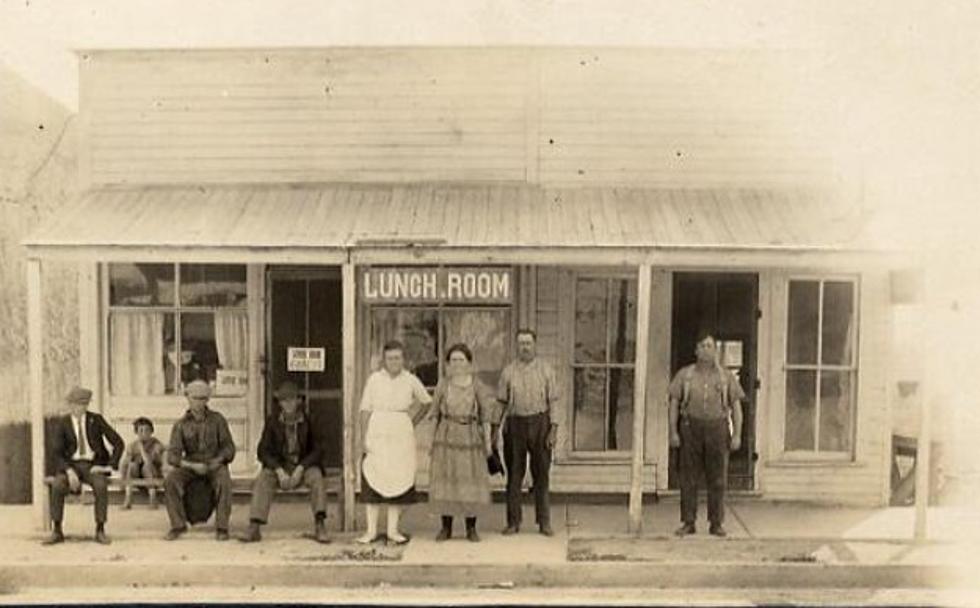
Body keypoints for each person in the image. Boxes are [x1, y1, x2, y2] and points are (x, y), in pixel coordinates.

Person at [668, 332, 745, 537]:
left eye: (710, 346)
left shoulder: (726, 377)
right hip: (690, 428)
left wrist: (737, 435)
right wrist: (673, 431)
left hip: (717, 428)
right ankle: (688, 521)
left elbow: (736, 407)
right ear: (695, 350)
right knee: (688, 477)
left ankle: (716, 522)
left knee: (718, 478)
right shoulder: (685, 375)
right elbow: (674, 403)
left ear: (715, 351)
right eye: (702, 346)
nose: (706, 349)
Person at [356, 340, 432, 545]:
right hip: (377, 428)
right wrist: (363, 436)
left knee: (398, 477)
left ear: (403, 359)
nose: (394, 362)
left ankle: (392, 530)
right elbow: (364, 410)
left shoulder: (410, 379)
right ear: (384, 359)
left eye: (398, 358)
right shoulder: (374, 379)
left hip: (401, 430)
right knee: (373, 475)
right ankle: (370, 531)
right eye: (390, 358)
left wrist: (412, 421)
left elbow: (426, 402)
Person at [240, 381, 330, 544]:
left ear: (298, 401)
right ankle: (254, 526)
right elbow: (263, 451)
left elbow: (319, 449)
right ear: (279, 403)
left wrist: (301, 468)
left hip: (304, 466)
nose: (288, 404)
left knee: (317, 477)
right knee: (263, 479)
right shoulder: (273, 422)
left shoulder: (310, 420)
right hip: (281, 466)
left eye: (291, 400)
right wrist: (279, 470)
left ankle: (320, 524)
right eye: (283, 400)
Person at [427, 343, 498, 542]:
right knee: (446, 481)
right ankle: (446, 528)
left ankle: (471, 529)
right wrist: (432, 443)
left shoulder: (477, 385)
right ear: (448, 363)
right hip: (446, 436)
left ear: (469, 363)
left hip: (470, 437)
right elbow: (434, 414)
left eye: (461, 360)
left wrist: (488, 445)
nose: (457, 363)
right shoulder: (443, 384)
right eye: (453, 360)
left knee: (470, 482)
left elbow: (485, 416)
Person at [492, 329, 559, 537]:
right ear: (516, 346)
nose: (525, 347)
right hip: (515, 424)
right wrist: (494, 430)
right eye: (521, 343)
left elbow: (553, 401)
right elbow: (501, 402)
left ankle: (544, 522)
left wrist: (553, 430)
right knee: (514, 475)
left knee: (541, 475)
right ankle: (513, 522)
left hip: (540, 423)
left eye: (528, 343)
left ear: (535, 345)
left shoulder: (546, 370)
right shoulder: (508, 371)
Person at [43, 386, 125, 545]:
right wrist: (68, 470)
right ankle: (57, 530)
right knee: (58, 485)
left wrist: (108, 466)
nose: (79, 408)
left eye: (83, 404)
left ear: (87, 405)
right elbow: (56, 452)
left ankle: (100, 530)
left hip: (92, 465)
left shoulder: (96, 420)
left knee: (100, 485)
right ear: (70, 405)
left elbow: (118, 443)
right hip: (71, 465)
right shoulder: (63, 423)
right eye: (76, 404)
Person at [163, 380, 236, 541]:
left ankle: (222, 527)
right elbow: (172, 456)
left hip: (214, 464)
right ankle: (178, 525)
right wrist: (191, 465)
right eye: (195, 398)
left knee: (224, 480)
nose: (198, 402)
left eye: (202, 398)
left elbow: (229, 447)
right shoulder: (180, 425)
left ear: (208, 400)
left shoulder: (218, 420)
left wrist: (218, 461)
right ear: (188, 399)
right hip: (190, 465)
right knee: (170, 481)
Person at [119, 416, 166, 509]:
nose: (144, 433)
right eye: (140, 430)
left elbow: (148, 462)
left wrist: (141, 449)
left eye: (147, 430)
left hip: (153, 477)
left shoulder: (156, 444)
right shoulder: (132, 445)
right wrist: (122, 480)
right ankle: (128, 498)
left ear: (151, 431)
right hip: (137, 478)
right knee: (132, 465)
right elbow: (125, 464)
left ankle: (153, 498)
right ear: (136, 432)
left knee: (146, 467)